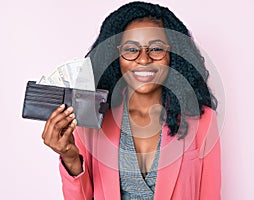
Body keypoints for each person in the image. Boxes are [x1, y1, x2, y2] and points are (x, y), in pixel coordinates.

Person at [42, 1, 221, 199]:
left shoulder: (203, 120)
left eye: (156, 49)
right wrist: (70, 158)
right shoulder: (93, 119)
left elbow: (210, 194)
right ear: (115, 55)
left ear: (173, 55)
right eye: (131, 49)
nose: (144, 60)